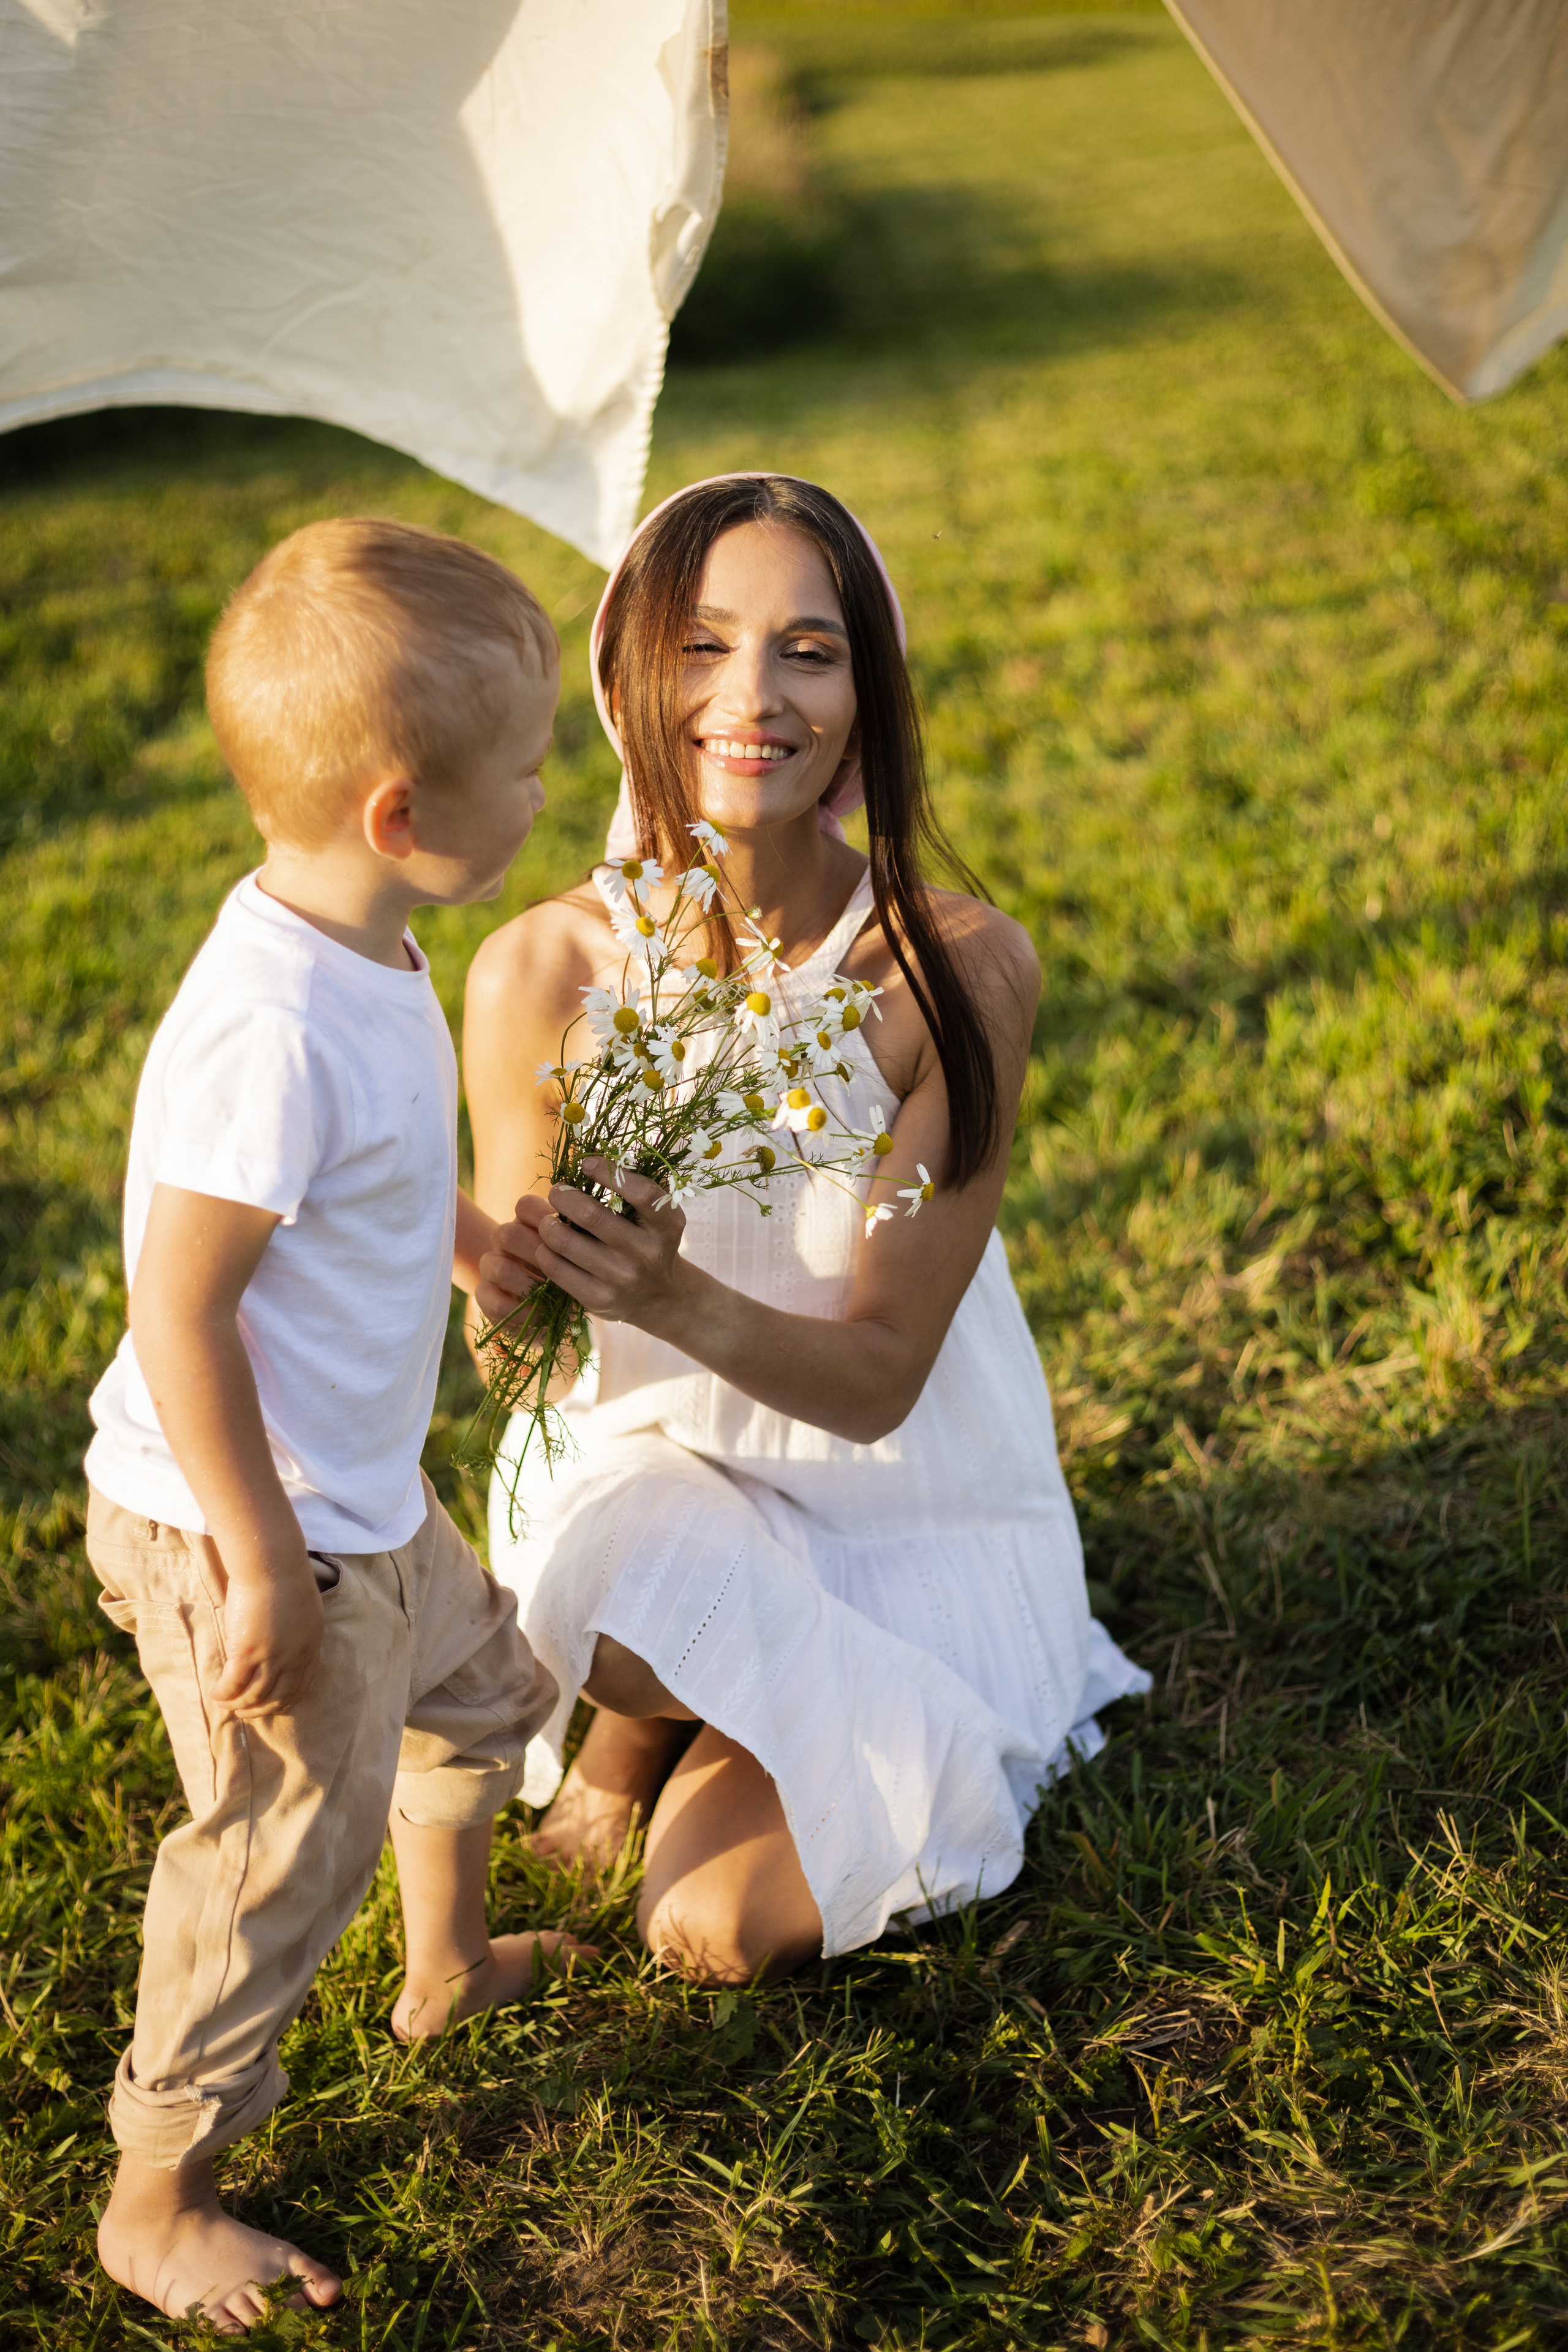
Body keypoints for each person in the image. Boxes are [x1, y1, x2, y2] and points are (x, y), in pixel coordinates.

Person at [465, 473, 1150, 1988]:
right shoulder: (541, 972)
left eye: (808, 652)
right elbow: (514, 1367)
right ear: (631, 676)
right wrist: (508, 1290)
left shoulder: (952, 973)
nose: (750, 698)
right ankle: (647, 1714)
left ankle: (697, 1730)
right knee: (605, 1583)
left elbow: (884, 1374)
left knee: (711, 1932)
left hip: (895, 1516)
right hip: (667, 1501)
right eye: (702, 647)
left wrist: (678, 1293)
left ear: (867, 697)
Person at [83, 518, 586, 2334]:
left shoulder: (363, 944)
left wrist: (453, 1237)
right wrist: (266, 1568)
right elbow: (182, 1306)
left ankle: (441, 1965)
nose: (547, 791)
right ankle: (162, 2194)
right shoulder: (269, 1025)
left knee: (491, 1692)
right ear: (401, 813)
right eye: (526, 768)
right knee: (275, 1859)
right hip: (255, 1523)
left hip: (352, 1498)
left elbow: (354, 1182)